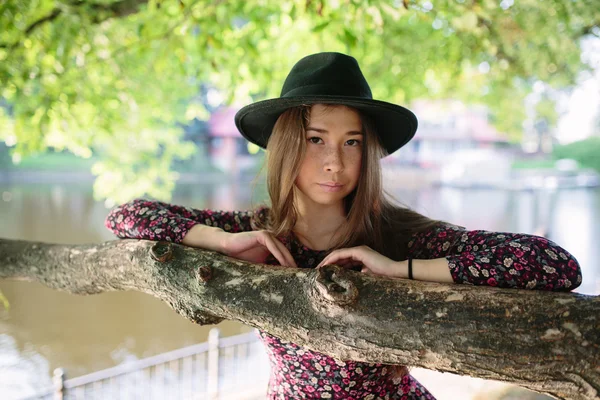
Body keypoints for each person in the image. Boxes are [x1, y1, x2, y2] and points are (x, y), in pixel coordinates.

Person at [104, 52, 582, 399]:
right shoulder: (257, 232)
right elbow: (124, 216)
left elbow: (554, 265)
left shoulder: (397, 235)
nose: (334, 161)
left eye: (352, 143)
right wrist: (223, 242)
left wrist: (400, 270)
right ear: (287, 143)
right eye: (316, 139)